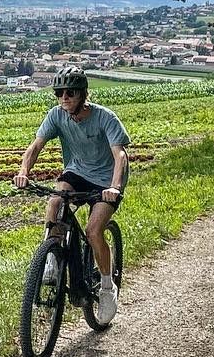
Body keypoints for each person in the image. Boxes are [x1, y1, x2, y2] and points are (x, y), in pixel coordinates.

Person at [14, 65, 130, 324]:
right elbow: (36, 146)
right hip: (77, 171)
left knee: (92, 231)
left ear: (83, 93)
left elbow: (119, 154)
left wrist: (114, 187)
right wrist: (23, 171)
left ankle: (108, 288)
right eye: (59, 92)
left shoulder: (105, 117)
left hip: (106, 178)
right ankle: (52, 260)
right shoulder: (56, 115)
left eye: (70, 92)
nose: (64, 97)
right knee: (55, 200)